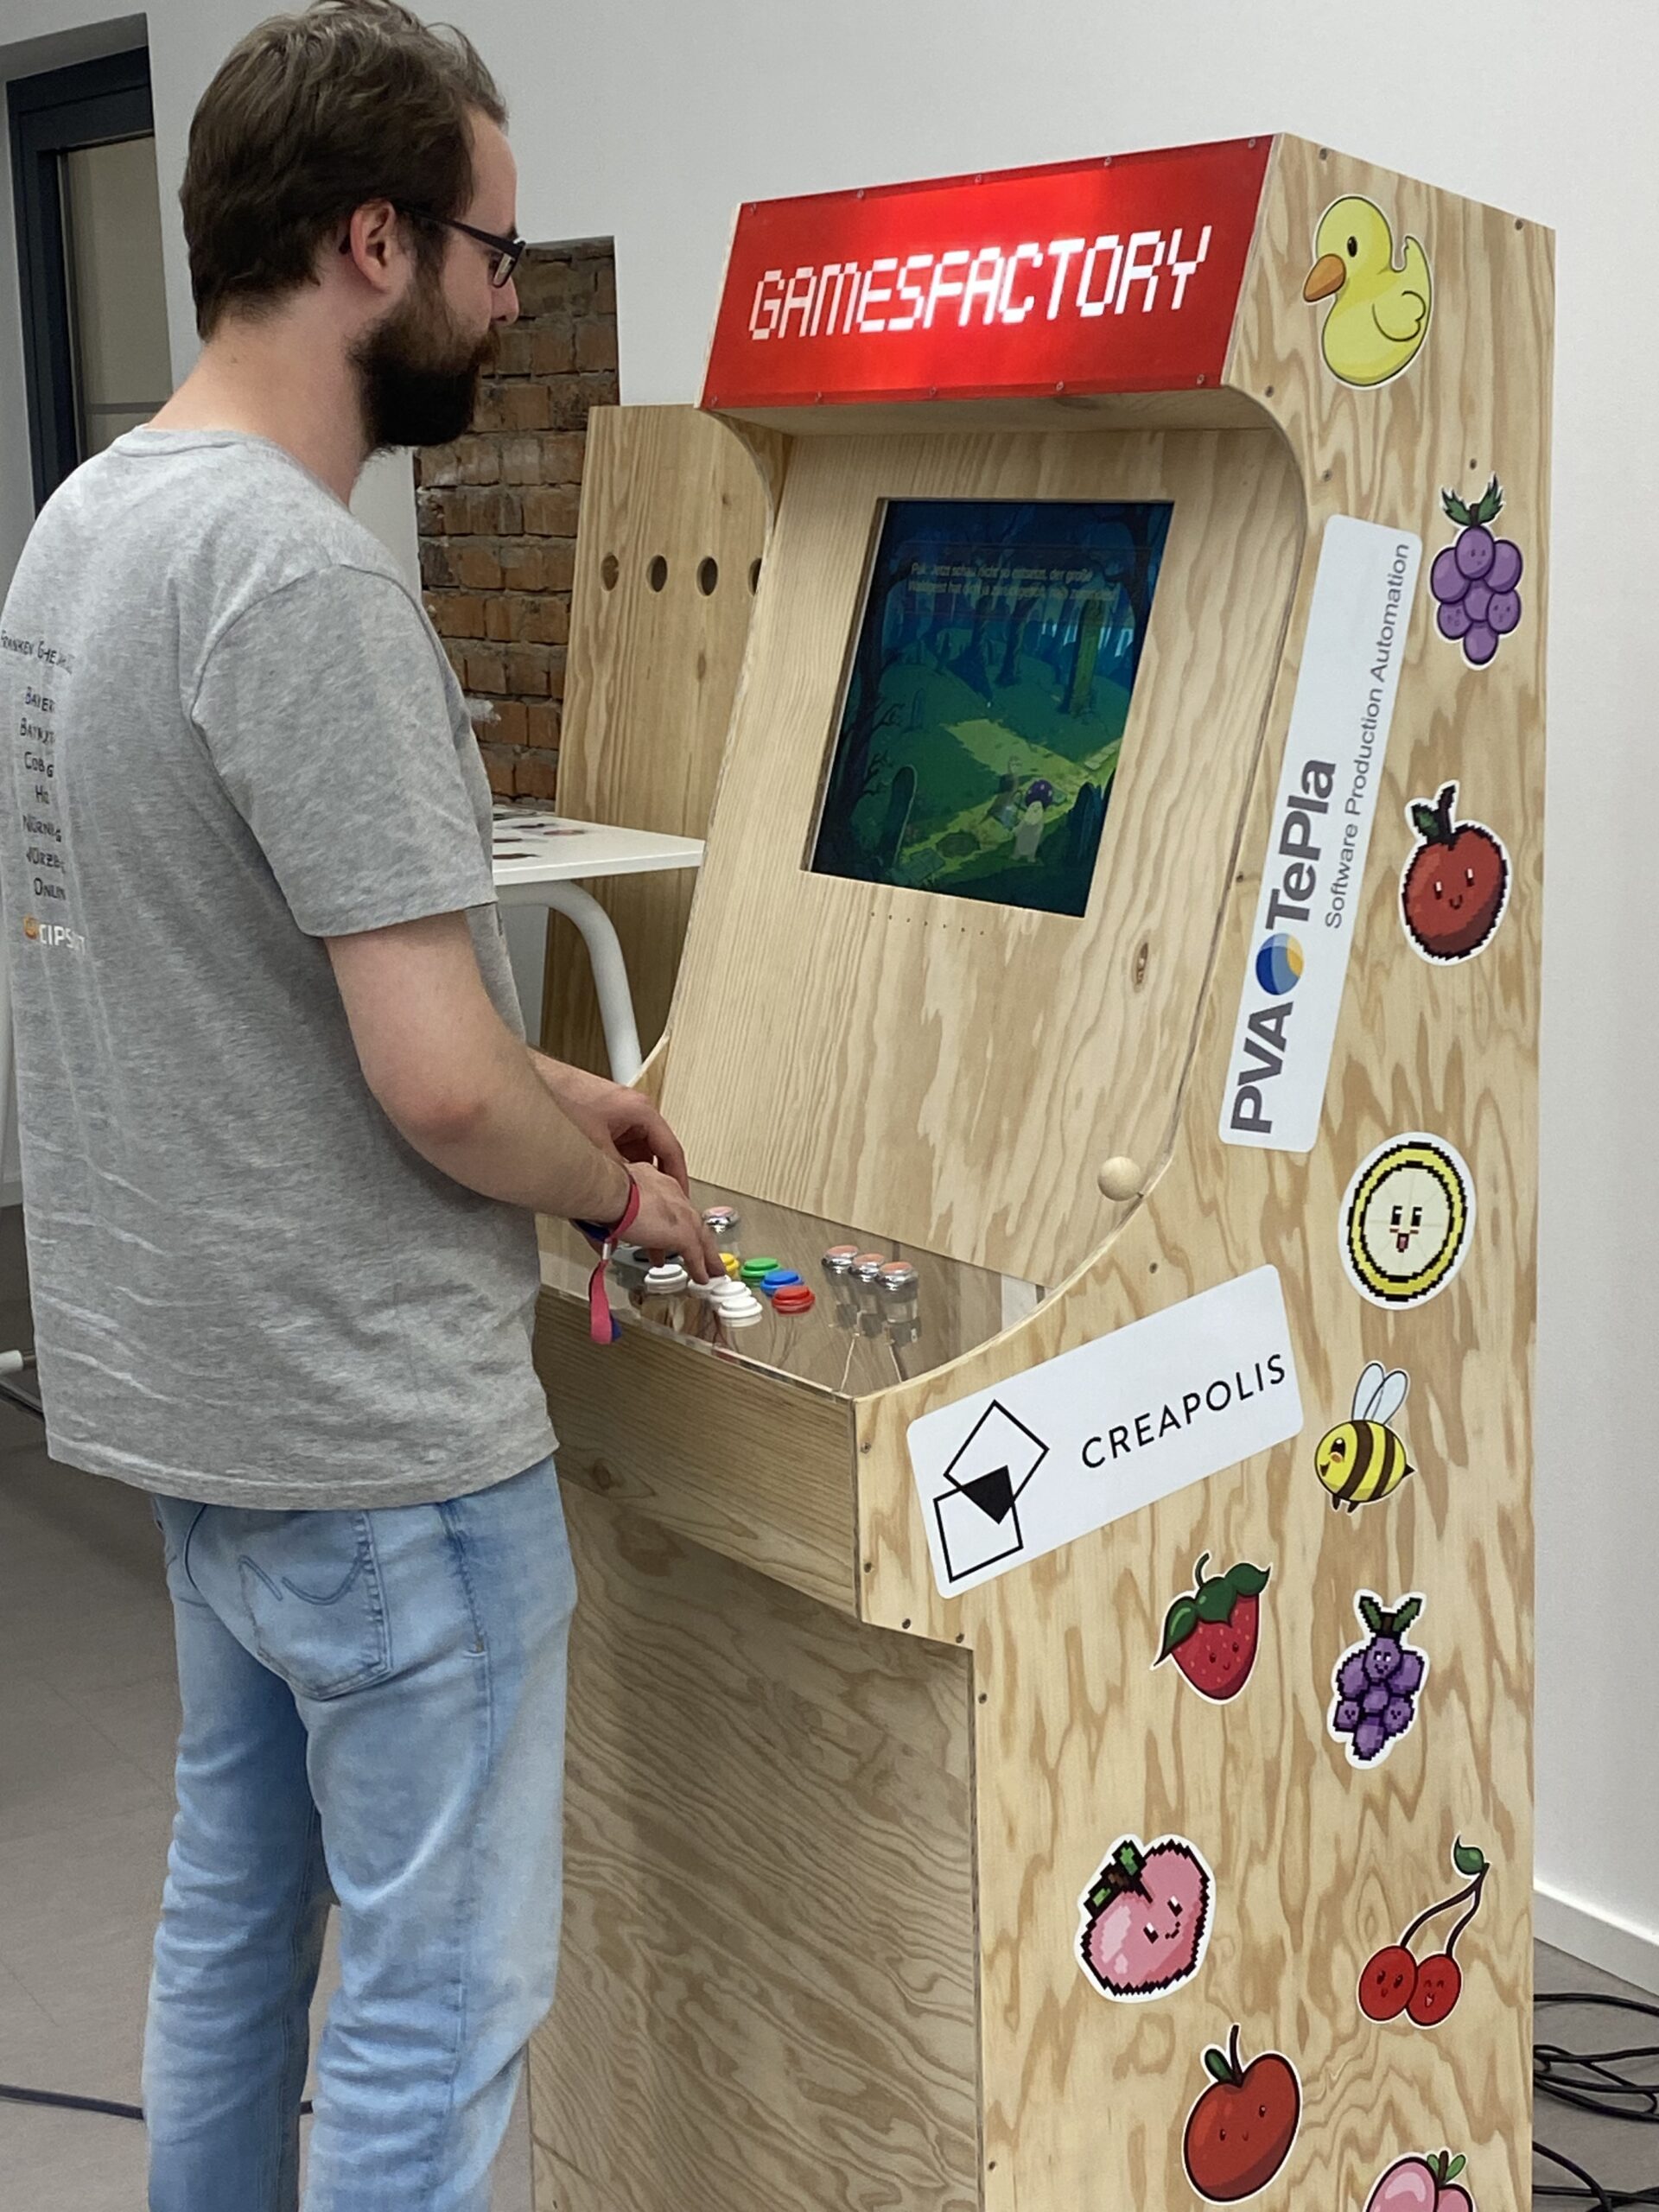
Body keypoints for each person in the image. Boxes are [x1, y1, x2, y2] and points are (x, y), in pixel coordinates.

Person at [0, 4, 719, 2206]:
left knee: (232, 1934)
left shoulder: (86, 527)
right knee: (433, 2010)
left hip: (199, 1418)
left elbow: (241, 970)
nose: (511, 300)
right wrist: (609, 1182)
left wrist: (552, 1079)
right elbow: (427, 1084)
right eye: (496, 251)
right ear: (374, 241)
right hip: (382, 1452)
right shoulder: (310, 580)